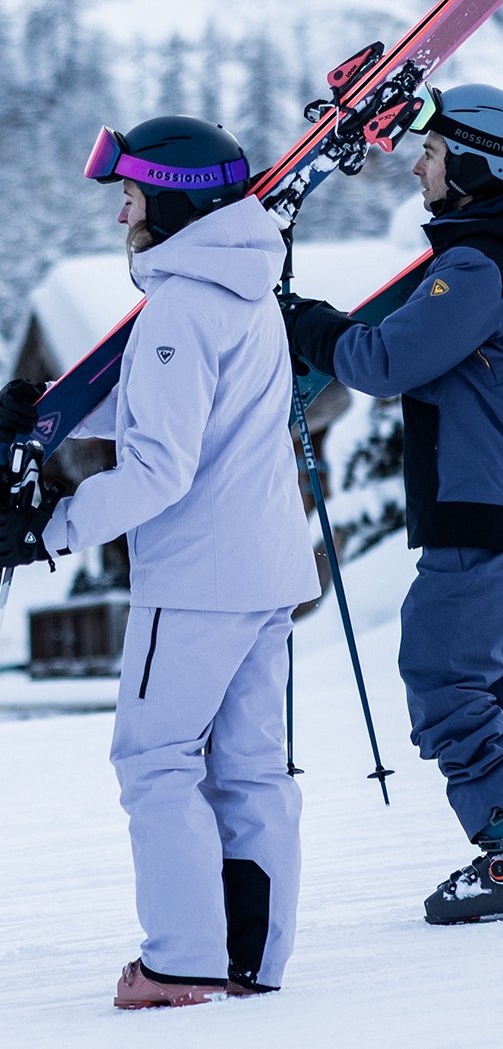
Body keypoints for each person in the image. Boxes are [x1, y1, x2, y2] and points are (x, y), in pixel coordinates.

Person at [0, 115, 320, 1005]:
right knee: (252, 769)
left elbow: (159, 468)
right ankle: (250, 959)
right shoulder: (242, 286)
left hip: (197, 579)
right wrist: (53, 413)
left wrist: (50, 528)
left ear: (176, 202)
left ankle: (180, 960)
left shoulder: (182, 304)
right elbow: (182, 411)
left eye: (132, 196)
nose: (122, 216)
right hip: (264, 570)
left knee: (156, 760)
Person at [280, 83, 503, 925]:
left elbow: (384, 364)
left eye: (431, 154)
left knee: (445, 673)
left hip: (485, 498)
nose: (418, 168)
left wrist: (303, 324)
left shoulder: (482, 262)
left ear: (473, 164)